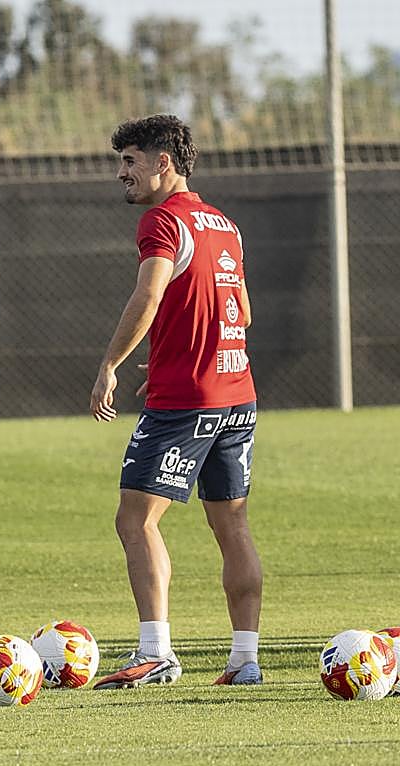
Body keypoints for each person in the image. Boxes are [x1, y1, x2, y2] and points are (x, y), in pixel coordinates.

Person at [89, 114, 262, 689]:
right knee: (231, 524)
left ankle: (156, 651)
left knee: (135, 519)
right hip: (237, 393)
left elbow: (149, 293)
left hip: (188, 401)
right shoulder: (225, 224)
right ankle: (245, 660)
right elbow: (241, 311)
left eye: (130, 161)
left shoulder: (163, 222)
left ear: (164, 163)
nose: (122, 173)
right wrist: (172, 356)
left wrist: (110, 365)